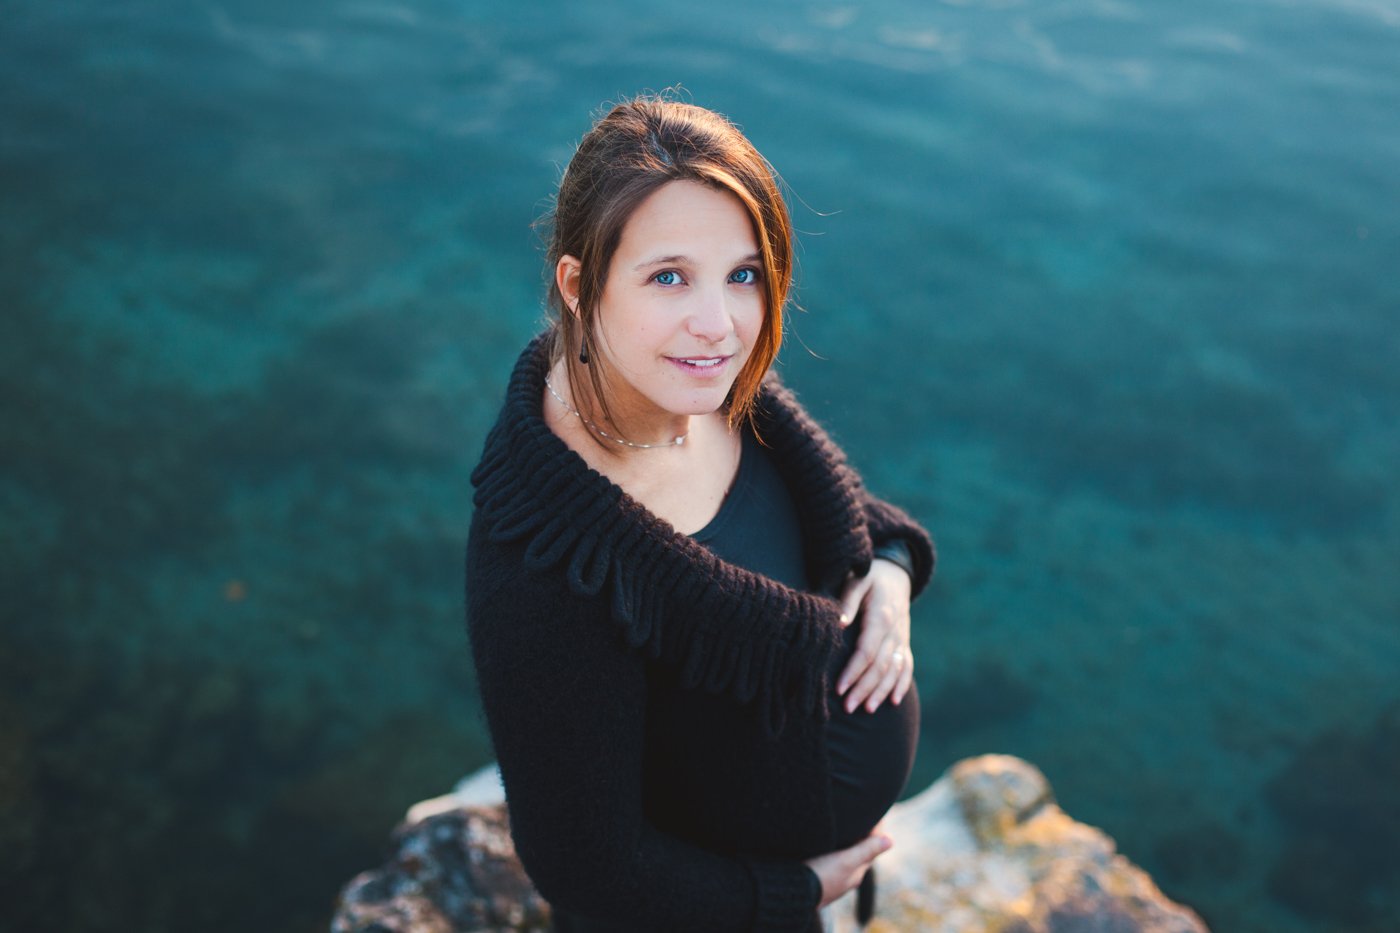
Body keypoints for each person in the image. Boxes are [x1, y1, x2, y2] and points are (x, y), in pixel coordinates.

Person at [466, 95, 935, 932]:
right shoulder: (547, 570)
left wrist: (891, 576)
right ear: (578, 285)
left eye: (743, 274)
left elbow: (840, 515)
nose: (720, 326)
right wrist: (790, 893)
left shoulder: (706, 391)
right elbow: (586, 866)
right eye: (668, 277)